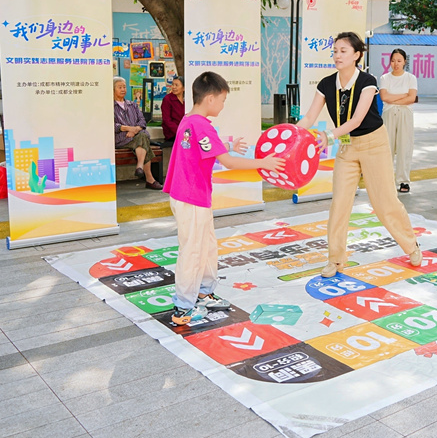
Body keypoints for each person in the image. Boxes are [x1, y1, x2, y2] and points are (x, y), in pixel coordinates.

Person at [297, 32, 422, 278]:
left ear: (356, 55)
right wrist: (291, 133)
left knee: (385, 202)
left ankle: (411, 246)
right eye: (335, 51)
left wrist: (329, 136)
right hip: (347, 147)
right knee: (339, 204)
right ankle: (335, 259)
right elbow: (309, 117)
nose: (337, 55)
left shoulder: (368, 81)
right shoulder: (326, 84)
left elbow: (356, 119)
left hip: (374, 144)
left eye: (343, 51)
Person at [164, 71, 284, 325]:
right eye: (222, 100)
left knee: (206, 246)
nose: (222, 105)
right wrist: (264, 163)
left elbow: (207, 149)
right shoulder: (201, 125)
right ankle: (183, 307)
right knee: (192, 251)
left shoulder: (190, 121)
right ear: (210, 99)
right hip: (191, 197)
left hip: (193, 196)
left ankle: (204, 292)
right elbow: (227, 163)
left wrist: (228, 146)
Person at [113, 76, 164, 190]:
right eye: (120, 87)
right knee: (144, 138)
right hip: (121, 138)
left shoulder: (132, 104)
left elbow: (142, 120)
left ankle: (142, 169)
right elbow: (111, 125)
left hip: (136, 137)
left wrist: (135, 129)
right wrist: (128, 129)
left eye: (124, 87)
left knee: (142, 137)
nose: (123, 89)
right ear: (113, 89)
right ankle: (148, 177)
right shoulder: (110, 106)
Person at [379, 48, 418, 193]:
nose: (396, 64)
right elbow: (384, 97)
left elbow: (411, 98)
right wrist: (403, 95)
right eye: (393, 61)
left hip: (405, 114)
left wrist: (393, 98)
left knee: (404, 147)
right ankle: (386, 180)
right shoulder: (385, 78)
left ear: (404, 62)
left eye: (399, 61)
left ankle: (403, 181)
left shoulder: (410, 78)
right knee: (387, 147)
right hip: (388, 114)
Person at [161, 75, 185, 144]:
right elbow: (167, 120)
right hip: (172, 134)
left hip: (185, 132)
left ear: (184, 88)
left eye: (176, 85)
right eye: (173, 85)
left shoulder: (187, 100)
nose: (173, 87)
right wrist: (180, 132)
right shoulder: (167, 99)